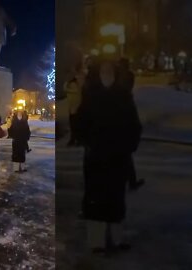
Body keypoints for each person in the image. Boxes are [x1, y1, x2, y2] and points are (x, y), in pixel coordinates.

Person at [76, 60, 142, 254]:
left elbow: (134, 124)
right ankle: (96, 241)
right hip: (96, 156)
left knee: (116, 198)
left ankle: (116, 238)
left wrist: (129, 146)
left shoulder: (123, 95)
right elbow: (81, 123)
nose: (107, 74)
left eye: (109, 71)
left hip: (117, 157)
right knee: (96, 198)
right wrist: (88, 142)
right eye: (103, 70)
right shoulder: (91, 96)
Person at [116, 58, 145, 191]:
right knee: (125, 157)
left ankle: (127, 181)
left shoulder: (120, 77)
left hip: (121, 126)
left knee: (123, 157)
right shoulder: (125, 77)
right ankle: (130, 182)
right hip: (123, 128)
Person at [65, 65, 85, 147]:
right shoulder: (72, 83)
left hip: (76, 107)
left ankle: (77, 140)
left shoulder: (74, 83)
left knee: (76, 124)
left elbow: (76, 92)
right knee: (73, 124)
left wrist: (66, 88)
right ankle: (74, 139)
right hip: (72, 107)